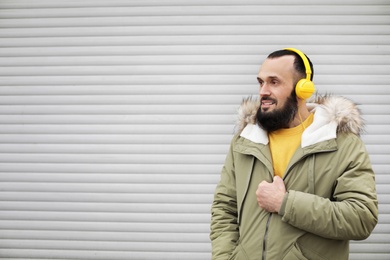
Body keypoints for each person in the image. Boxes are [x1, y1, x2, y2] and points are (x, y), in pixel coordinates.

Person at [210, 48, 378, 260]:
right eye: (261, 82)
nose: (263, 91)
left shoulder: (343, 145)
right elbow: (224, 208)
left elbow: (361, 218)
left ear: (302, 90)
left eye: (274, 82)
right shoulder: (245, 140)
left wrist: (285, 203)